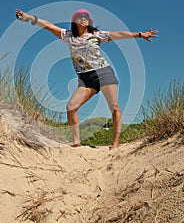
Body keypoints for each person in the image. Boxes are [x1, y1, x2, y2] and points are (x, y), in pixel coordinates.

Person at [15, 8, 158, 148]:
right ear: (75, 21)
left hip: (103, 73)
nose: (83, 19)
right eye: (80, 17)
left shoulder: (96, 34)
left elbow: (118, 34)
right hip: (85, 79)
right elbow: (48, 25)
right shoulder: (68, 36)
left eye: (86, 17)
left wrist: (140, 34)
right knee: (71, 107)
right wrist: (29, 17)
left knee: (114, 107)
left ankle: (115, 142)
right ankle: (76, 141)